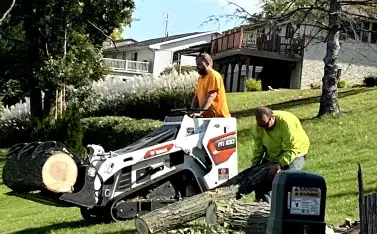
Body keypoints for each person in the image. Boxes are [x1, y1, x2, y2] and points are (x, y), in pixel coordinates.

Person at [251, 107, 310, 204]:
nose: (265, 128)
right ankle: (264, 210)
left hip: (296, 152)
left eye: (266, 125)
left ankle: (286, 208)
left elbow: (292, 149)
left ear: (272, 117)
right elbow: (258, 150)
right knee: (261, 179)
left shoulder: (286, 123)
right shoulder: (258, 129)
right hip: (273, 154)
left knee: (287, 179)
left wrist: (279, 165)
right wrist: (254, 166)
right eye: (261, 126)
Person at [190, 53, 231, 118]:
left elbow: (211, 96)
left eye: (199, 64)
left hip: (219, 118)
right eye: (197, 65)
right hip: (207, 118)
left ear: (206, 62)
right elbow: (196, 98)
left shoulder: (213, 75)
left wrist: (200, 112)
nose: (197, 67)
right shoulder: (200, 78)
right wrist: (191, 112)